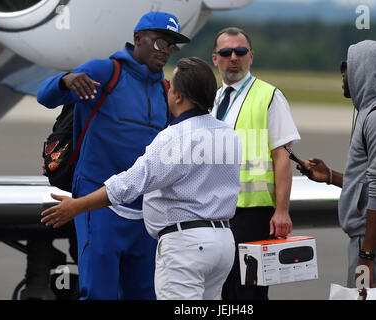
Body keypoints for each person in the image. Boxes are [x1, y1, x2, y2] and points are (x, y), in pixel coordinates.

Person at [40, 57, 242, 300]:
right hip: (222, 244)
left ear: (178, 97)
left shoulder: (174, 137)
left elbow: (129, 184)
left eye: (172, 86)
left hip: (187, 245)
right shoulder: (228, 134)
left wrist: (77, 206)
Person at [36, 11, 190, 300]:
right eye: (160, 43)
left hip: (144, 208)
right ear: (137, 39)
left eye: (172, 46)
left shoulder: (165, 90)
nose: (166, 52)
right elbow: (44, 96)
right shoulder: (105, 71)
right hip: (98, 202)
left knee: (144, 292)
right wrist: (66, 80)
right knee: (100, 292)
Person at [297, 40, 376, 294]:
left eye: (346, 66)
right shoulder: (371, 112)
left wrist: (367, 256)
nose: (343, 73)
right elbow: (370, 182)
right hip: (374, 239)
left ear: (364, 70)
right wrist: (329, 176)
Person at [211, 27, 301, 300]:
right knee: (222, 290)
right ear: (215, 59)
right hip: (218, 212)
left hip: (255, 213)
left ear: (251, 56)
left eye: (240, 52)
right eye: (226, 53)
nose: (233, 58)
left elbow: (282, 156)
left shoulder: (269, 96)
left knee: (250, 291)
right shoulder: (213, 100)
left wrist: (282, 210)